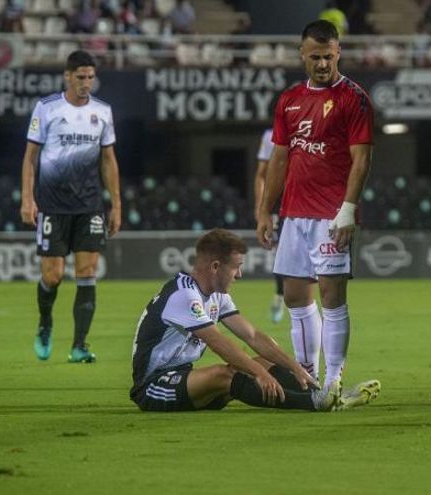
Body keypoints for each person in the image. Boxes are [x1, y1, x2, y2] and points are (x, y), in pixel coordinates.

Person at [255, 20, 380, 407]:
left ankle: (334, 377)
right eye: (315, 57)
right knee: (295, 296)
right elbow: (278, 160)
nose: (323, 64)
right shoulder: (289, 99)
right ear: (302, 55)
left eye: (329, 56)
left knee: (331, 295)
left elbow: (362, 160)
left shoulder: (353, 98)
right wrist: (265, 211)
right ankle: (306, 375)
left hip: (331, 215)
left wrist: (347, 210)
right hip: (294, 213)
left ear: (338, 53)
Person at [129, 229, 343, 412]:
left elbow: (253, 336)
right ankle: (312, 403)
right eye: (236, 267)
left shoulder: (217, 296)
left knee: (264, 363)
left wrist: (295, 368)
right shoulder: (183, 295)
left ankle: (324, 395)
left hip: (185, 376)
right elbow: (218, 343)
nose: (239, 274)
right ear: (215, 267)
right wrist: (259, 375)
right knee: (225, 373)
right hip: (154, 387)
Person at [19, 50, 122, 363]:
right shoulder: (48, 108)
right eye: (80, 77)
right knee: (53, 276)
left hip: (89, 204)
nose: (86, 83)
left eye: (90, 77)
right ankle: (45, 323)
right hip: (52, 203)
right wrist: (27, 198)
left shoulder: (103, 112)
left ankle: (79, 346)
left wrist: (116, 204)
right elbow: (30, 158)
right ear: (67, 76)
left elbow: (108, 160)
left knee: (87, 271)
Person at [253, 128, 285, 324]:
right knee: (282, 252)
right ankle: (280, 295)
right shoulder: (270, 136)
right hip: (281, 204)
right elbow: (262, 174)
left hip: (308, 200)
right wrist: (261, 206)